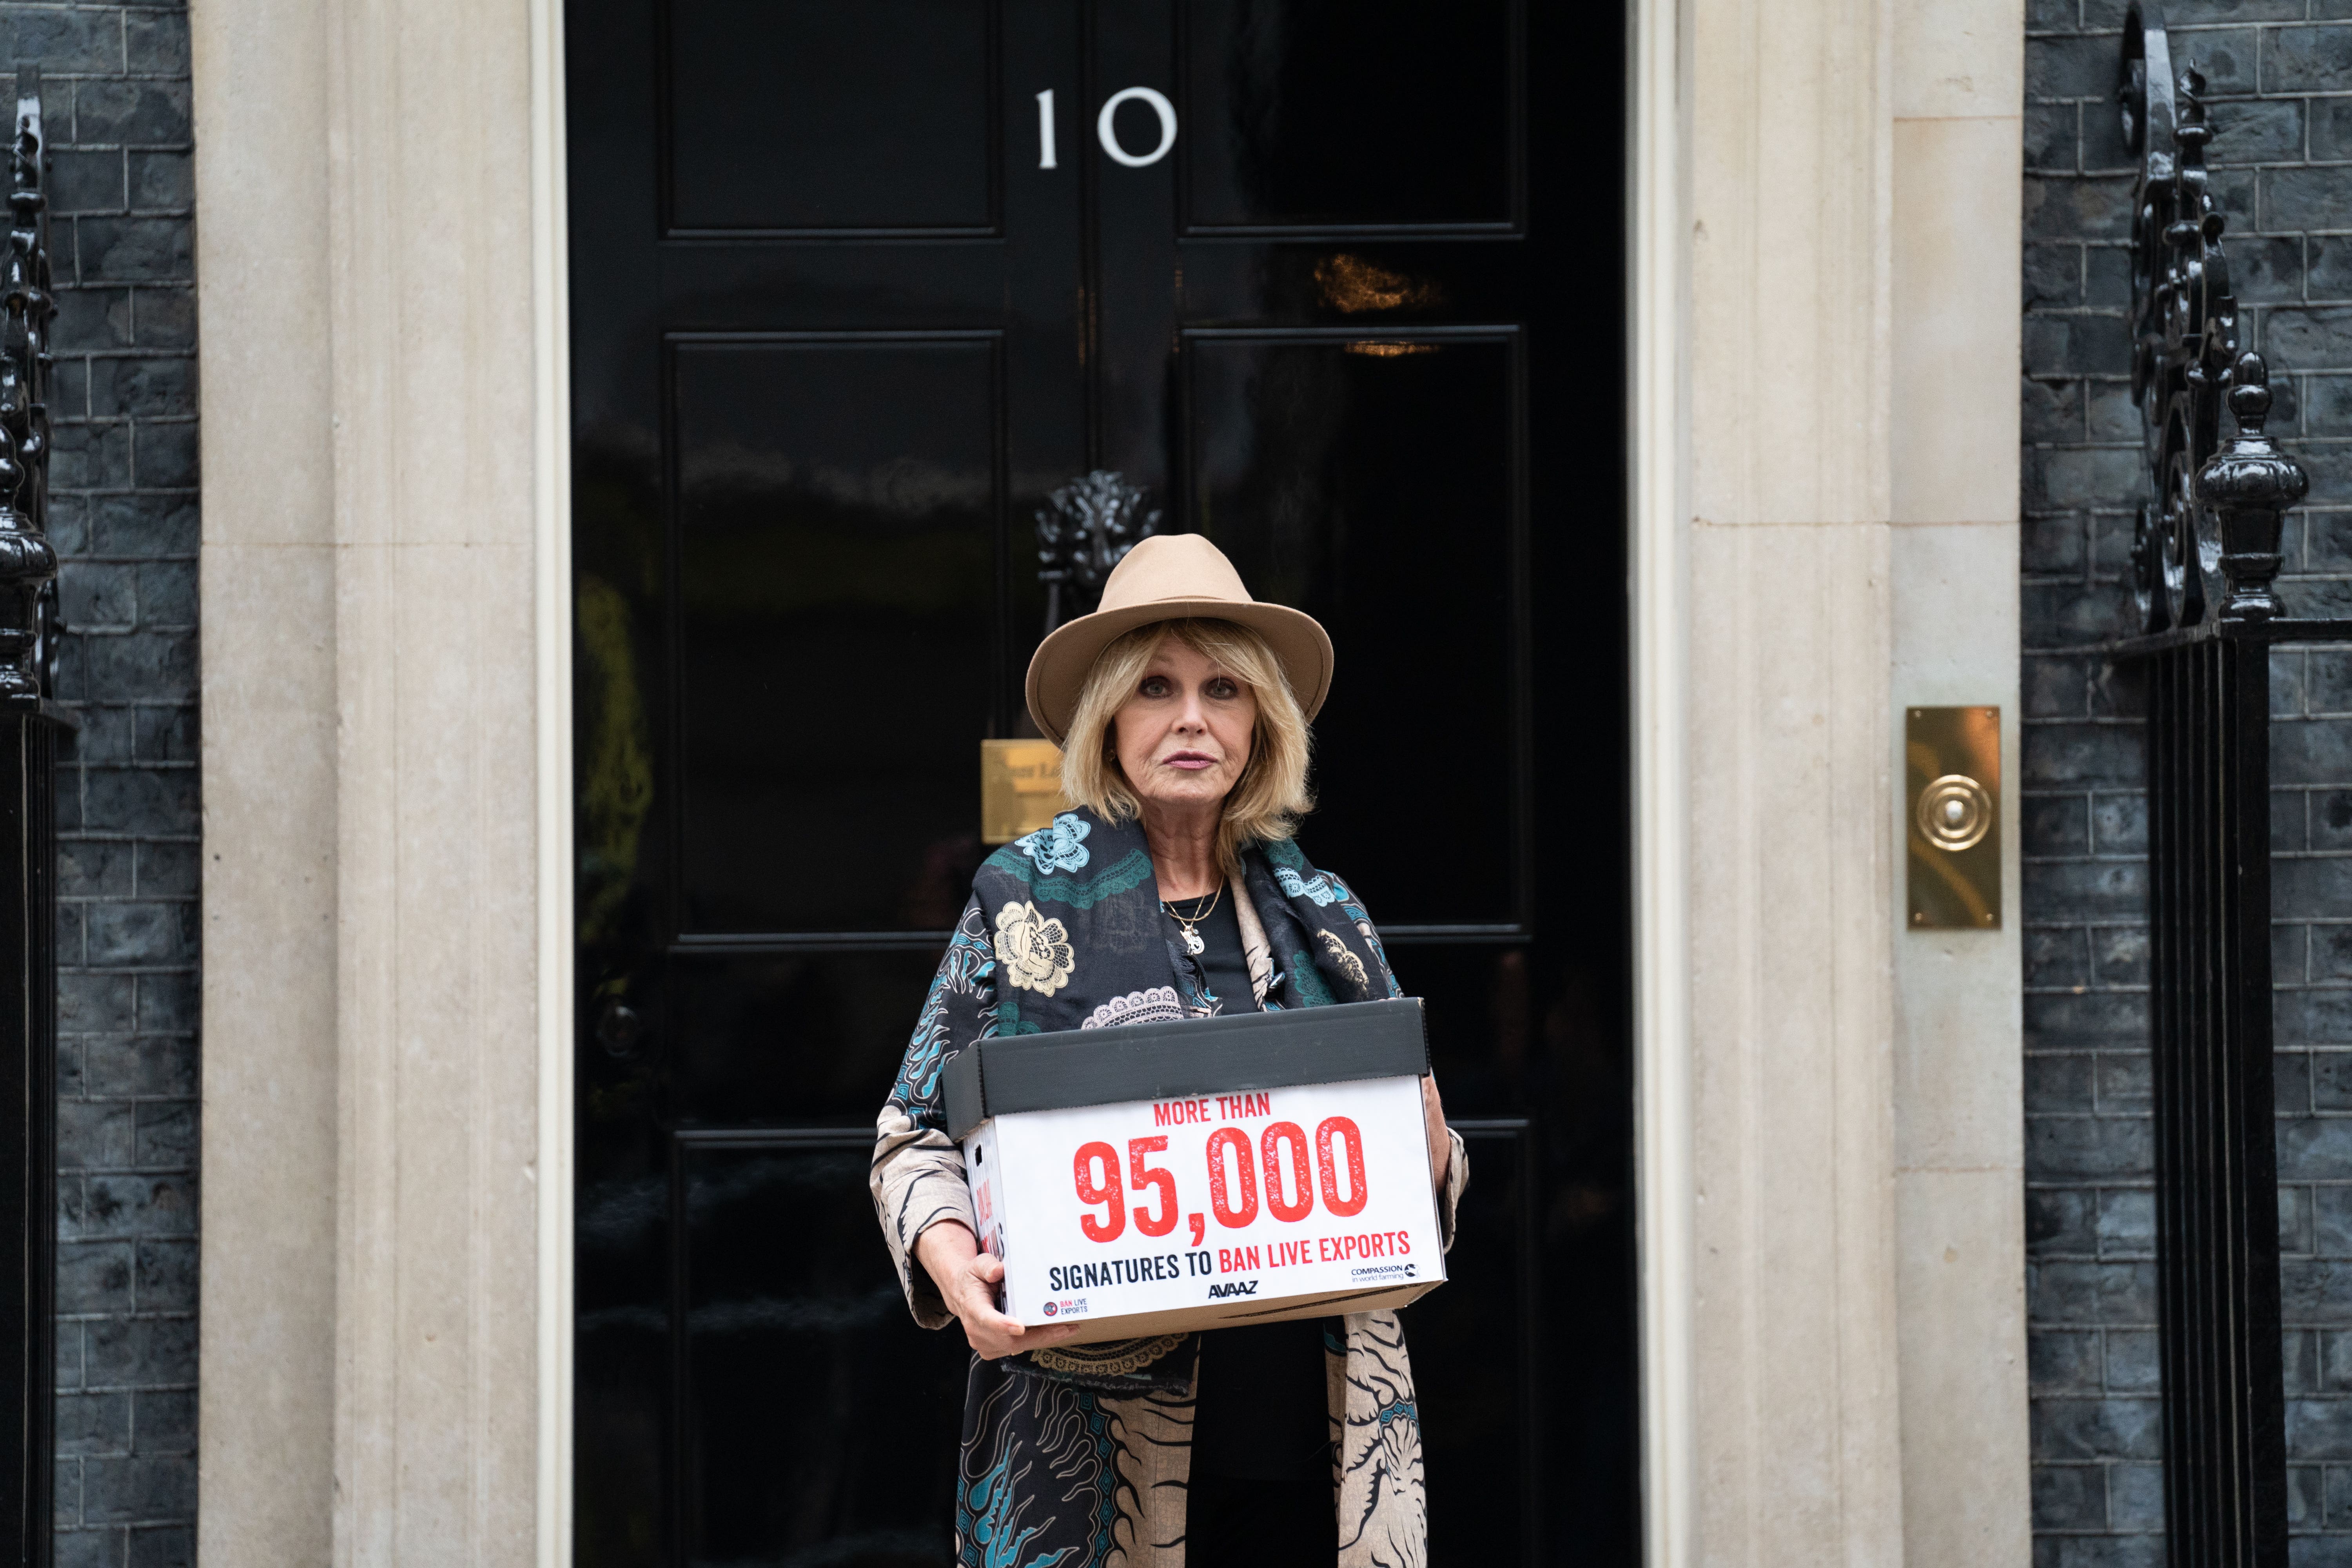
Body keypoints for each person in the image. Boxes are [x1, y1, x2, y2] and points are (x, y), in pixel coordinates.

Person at [871, 533, 1466, 1567]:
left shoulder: (1331, 914)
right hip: (1098, 1456)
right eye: (1156, 686)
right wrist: (955, 1268)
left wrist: (1432, 1152)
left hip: (1313, 1454)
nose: (1193, 718)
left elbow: (1423, 1163)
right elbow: (911, 1139)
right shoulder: (1019, 905)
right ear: (1108, 719)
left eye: (1224, 689)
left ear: (1259, 725)